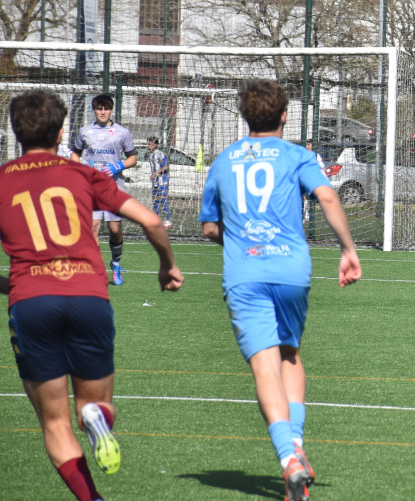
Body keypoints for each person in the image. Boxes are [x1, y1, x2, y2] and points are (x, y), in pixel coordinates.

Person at [2, 90, 182, 501]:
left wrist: (15, 283)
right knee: (95, 406)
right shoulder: (82, 175)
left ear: (16, 131)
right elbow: (152, 221)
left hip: (32, 302)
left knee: (55, 423)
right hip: (89, 297)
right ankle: (94, 416)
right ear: (61, 133)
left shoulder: (3, 179)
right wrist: (167, 266)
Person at [199, 80, 362, 501]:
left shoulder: (224, 160)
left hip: (245, 274)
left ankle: (288, 458)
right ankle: (298, 444)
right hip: (292, 270)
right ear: (285, 115)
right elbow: (327, 197)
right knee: (289, 354)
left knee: (265, 367)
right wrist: (348, 249)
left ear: (244, 116)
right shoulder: (297, 155)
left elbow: (210, 227)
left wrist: (240, 240)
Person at [70, 94, 138, 285]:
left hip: (113, 188)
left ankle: (116, 263)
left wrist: (118, 166)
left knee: (115, 229)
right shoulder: (84, 132)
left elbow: (133, 158)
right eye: (99, 108)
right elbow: (75, 155)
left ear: (111, 110)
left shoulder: (122, 132)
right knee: (93, 227)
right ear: (93, 110)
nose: (102, 112)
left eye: (106, 108)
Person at [147, 137, 172, 229]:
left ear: (155, 145)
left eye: (149, 144)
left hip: (162, 180)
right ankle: (156, 220)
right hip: (155, 181)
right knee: (155, 200)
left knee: (163, 199)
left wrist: (156, 173)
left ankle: (168, 220)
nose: (148, 146)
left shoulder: (160, 154)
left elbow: (166, 166)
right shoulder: (151, 155)